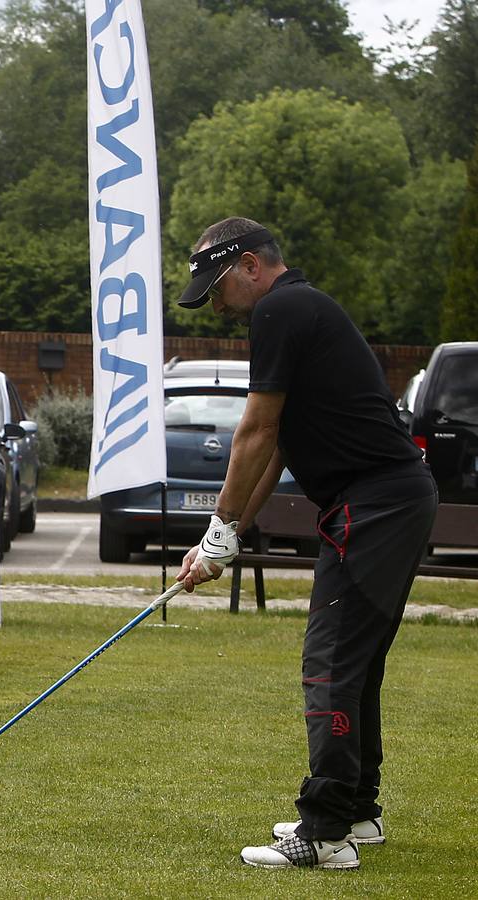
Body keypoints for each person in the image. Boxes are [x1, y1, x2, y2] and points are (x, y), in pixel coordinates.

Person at [173, 217, 437, 871]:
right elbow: (281, 444)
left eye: (219, 287)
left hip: (374, 505)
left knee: (329, 668)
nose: (219, 305)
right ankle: (355, 811)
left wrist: (218, 528)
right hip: (388, 500)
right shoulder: (303, 308)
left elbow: (254, 432)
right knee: (358, 664)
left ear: (251, 267)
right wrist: (229, 538)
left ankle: (323, 835)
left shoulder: (281, 310)